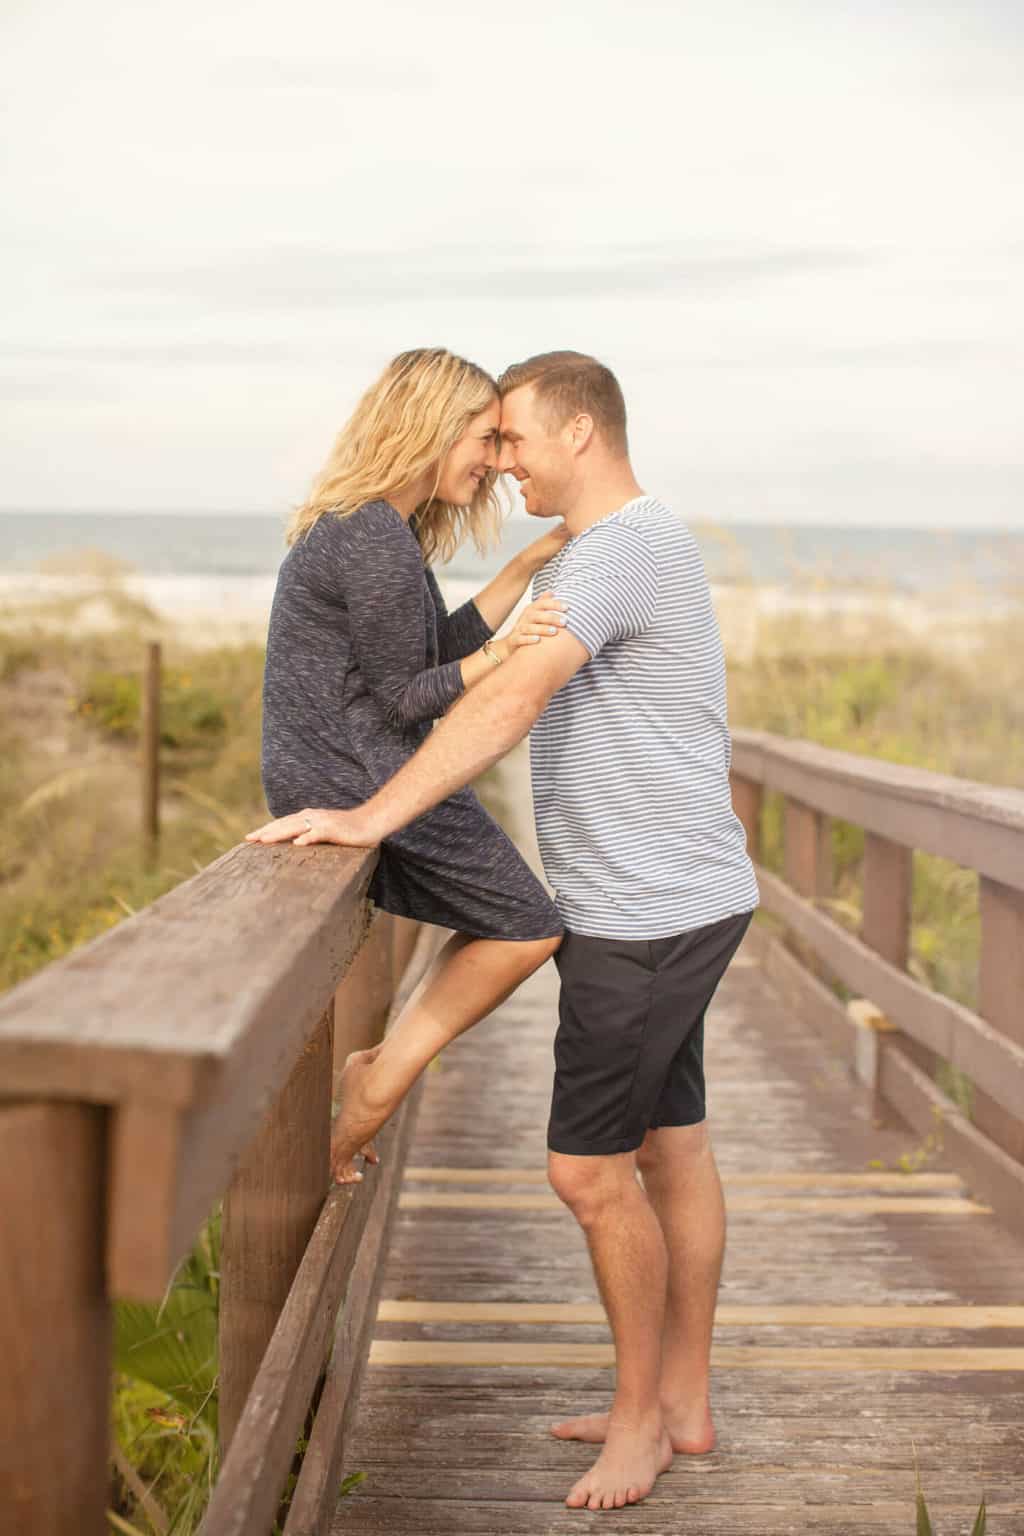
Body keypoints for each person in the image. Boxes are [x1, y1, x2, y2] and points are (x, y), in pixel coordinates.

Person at [248, 350, 759, 1514]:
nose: (502, 462)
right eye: (489, 439)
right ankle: (678, 1397)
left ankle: (639, 1425)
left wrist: (374, 811)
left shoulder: (622, 550)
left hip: (641, 914)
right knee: (670, 1146)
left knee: (587, 1173)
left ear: (578, 433)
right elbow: (455, 667)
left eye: (516, 438)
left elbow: (509, 695)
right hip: (664, 897)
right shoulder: (612, 546)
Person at [257, 347, 567, 1182]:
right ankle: (378, 1076)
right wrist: (504, 663)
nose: (498, 463)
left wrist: (519, 575)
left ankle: (379, 1069)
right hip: (364, 774)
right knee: (531, 925)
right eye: (485, 438)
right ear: (431, 428)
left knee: (512, 921)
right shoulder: (377, 544)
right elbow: (406, 697)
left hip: (333, 766)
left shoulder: (371, 527)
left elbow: (428, 654)